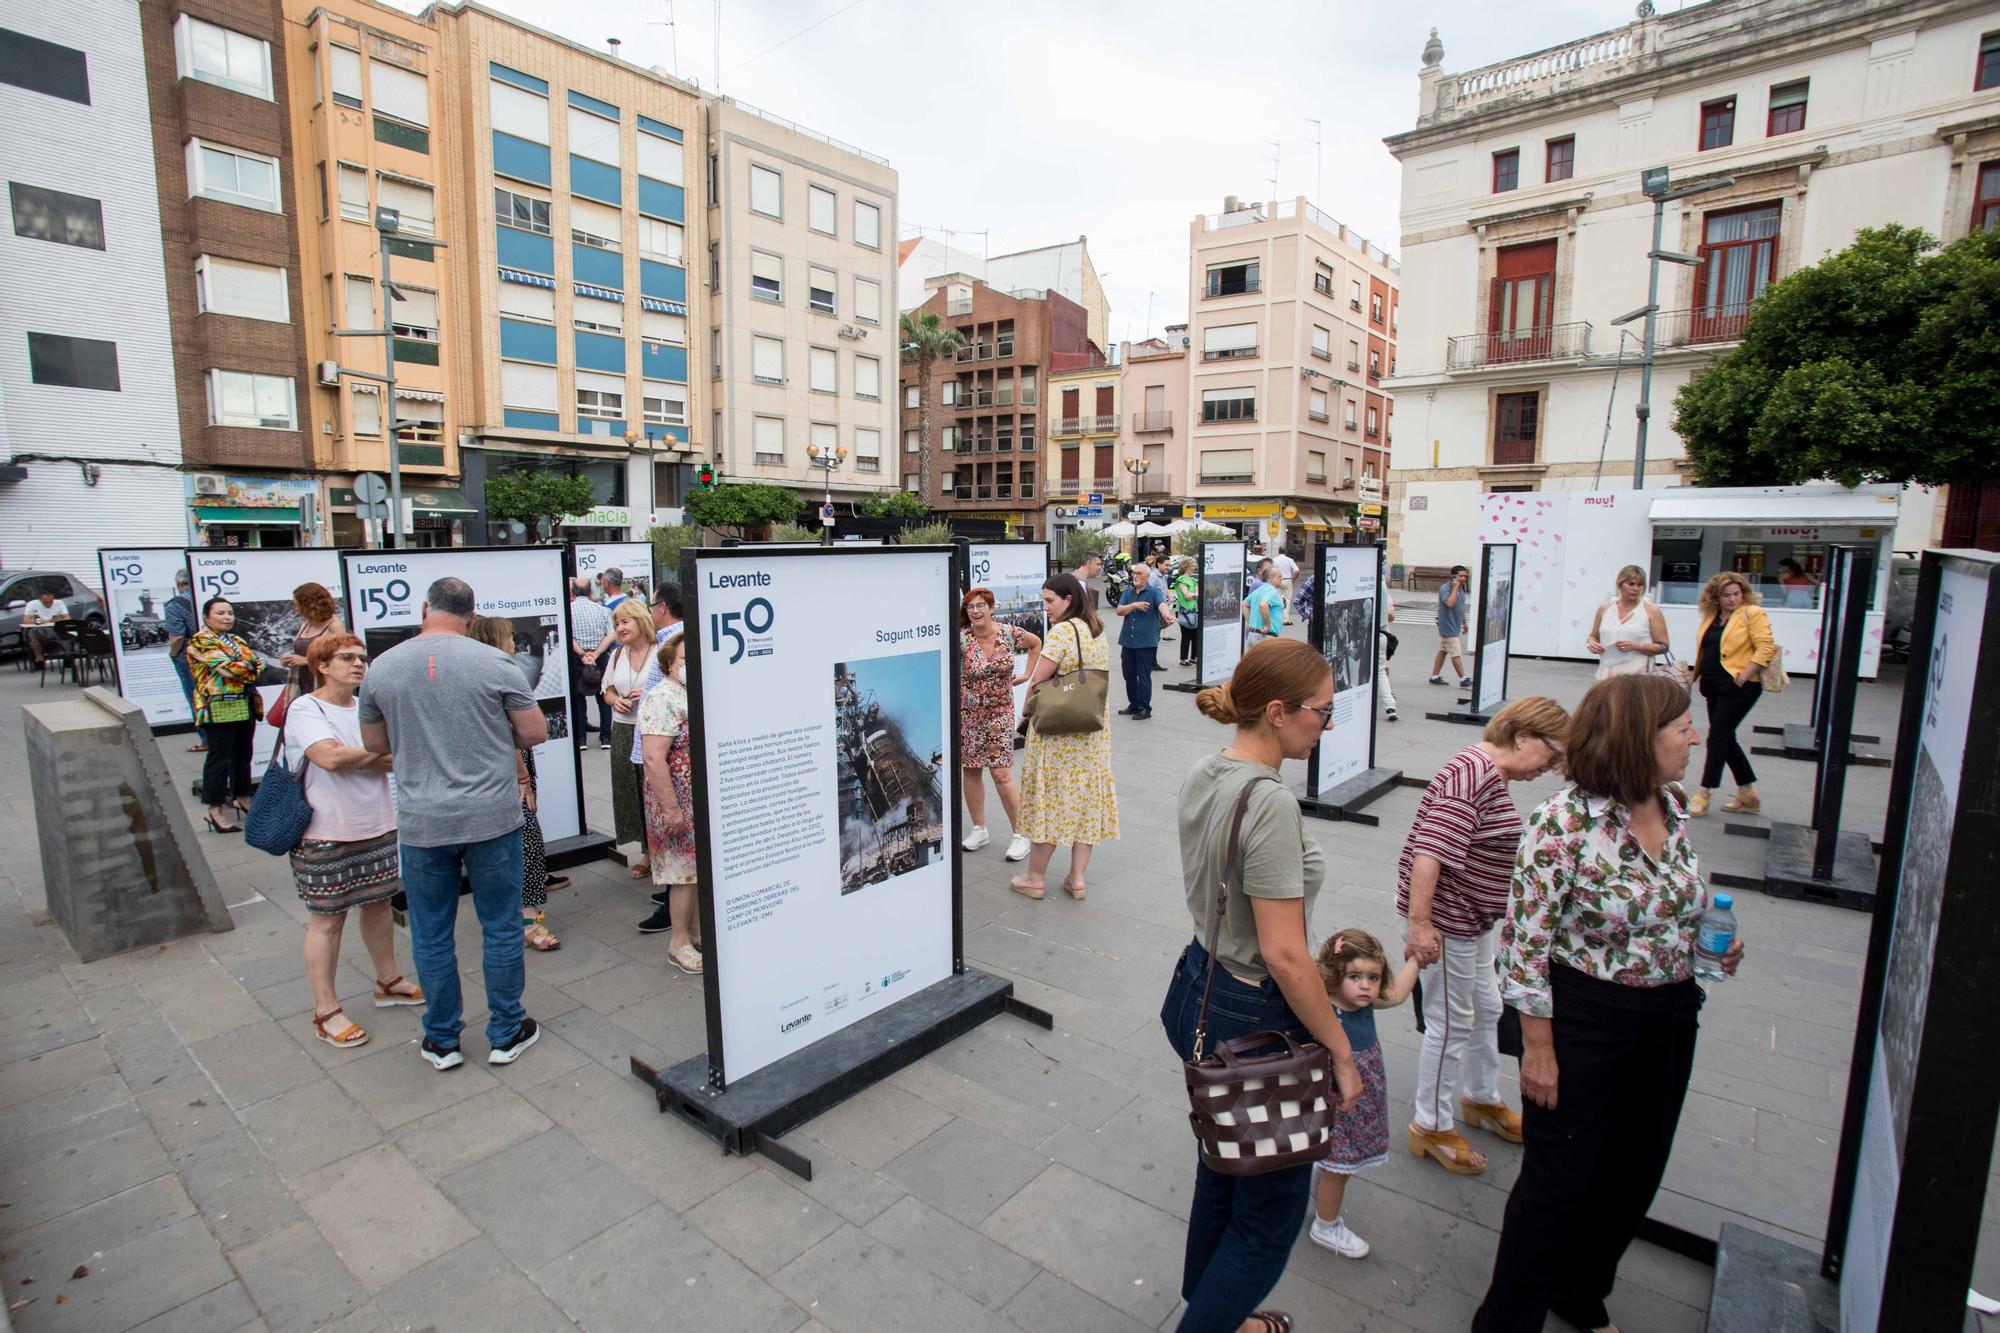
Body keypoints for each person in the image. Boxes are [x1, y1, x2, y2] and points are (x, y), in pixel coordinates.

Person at [1474, 674, 1743, 1333]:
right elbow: (1523, 946)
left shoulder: (1672, 803)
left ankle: (1579, 1287)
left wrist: (1710, 945)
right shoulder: (1561, 825)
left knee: (1633, 1171)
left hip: (1670, 1013)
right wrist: (1538, 1050)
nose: (1694, 736)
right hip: (1583, 1020)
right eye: (1681, 726)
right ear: (1636, 739)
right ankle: (1507, 1320)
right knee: (1556, 1182)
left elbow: (1677, 899)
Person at [1160, 637, 1362, 1332]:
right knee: (1270, 1215)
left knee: (1221, 1164)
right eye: (1322, 710)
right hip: (1254, 1008)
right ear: (1277, 712)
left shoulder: (1208, 768)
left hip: (1201, 982)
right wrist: (1339, 1048)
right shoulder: (1270, 801)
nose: (1327, 724)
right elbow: (1285, 953)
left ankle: (1217, 1310)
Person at [359, 577, 549, 1071]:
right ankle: (506, 1031)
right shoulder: (494, 662)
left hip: (423, 821)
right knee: (501, 927)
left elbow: (376, 744)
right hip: (491, 816)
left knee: (431, 932)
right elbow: (533, 731)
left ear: (424, 608)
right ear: (472, 614)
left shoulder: (382, 666)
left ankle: (442, 1039)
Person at [1401, 696, 1571, 1176]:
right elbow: (1429, 853)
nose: (1553, 767)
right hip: (1448, 922)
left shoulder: (1488, 771)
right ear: (1522, 736)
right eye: (1553, 754)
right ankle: (1430, 1123)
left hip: (1471, 919)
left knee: (1488, 1009)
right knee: (1450, 1021)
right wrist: (1420, 925)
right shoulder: (1472, 774)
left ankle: (1481, 1097)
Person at [282, 633, 422, 1048]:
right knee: (328, 919)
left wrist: (358, 754)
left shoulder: (368, 708)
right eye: (347, 657)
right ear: (321, 665)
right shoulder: (306, 708)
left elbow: (396, 757)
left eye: (362, 657)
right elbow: (328, 757)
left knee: (379, 905)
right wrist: (372, 754)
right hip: (324, 831)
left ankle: (388, 980)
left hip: (376, 823)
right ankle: (326, 1010)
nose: (359, 664)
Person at [1309, 928, 1421, 1259]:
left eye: (1373, 978)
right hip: (1343, 1103)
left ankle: (1318, 1178)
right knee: (1339, 1167)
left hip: (1361, 1099)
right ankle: (1326, 1225)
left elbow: (1398, 992)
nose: (1365, 986)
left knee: (1332, 1161)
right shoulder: (1325, 1007)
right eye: (1355, 976)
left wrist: (1416, 958)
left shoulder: (1365, 1002)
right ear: (1333, 974)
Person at [1012, 572, 1117, 901]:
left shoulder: (1061, 632)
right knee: (1086, 802)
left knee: (1053, 804)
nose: (1046, 608)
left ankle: (1035, 878)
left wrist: (1025, 716)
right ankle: (1077, 878)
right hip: (1092, 731)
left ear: (1068, 600)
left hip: (1060, 734)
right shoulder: (1097, 630)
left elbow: (1038, 682)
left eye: (1049, 601)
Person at [470, 615, 565, 952]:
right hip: (507, 768)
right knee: (525, 838)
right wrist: (522, 776)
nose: (515, 642)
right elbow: (505, 732)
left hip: (494, 768)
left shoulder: (478, 674)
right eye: (509, 636)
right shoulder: (499, 675)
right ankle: (527, 916)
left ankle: (513, 911)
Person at [959, 587, 1041, 862]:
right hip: (969, 714)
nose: (976, 611)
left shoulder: (1008, 633)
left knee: (1001, 775)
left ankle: (1021, 834)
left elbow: (1036, 643)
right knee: (970, 771)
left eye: (981, 605)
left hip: (999, 713)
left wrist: (1028, 674)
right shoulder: (962, 640)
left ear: (992, 608)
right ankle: (979, 828)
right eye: (970, 607)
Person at [1688, 571, 1774, 817]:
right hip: (1713, 683)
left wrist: (1744, 675)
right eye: (1726, 595)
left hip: (1741, 685)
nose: (1732, 599)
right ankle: (1748, 793)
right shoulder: (1711, 617)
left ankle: (1703, 792)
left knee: (1717, 736)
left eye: (1736, 594)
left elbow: (1765, 646)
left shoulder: (1752, 614)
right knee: (1726, 738)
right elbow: (1707, 649)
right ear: (1715, 597)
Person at [638, 635, 703, 960]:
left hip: (694, 801)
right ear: (668, 662)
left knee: (694, 871)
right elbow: (653, 758)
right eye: (683, 660)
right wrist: (672, 811)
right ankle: (678, 942)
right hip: (675, 801)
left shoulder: (688, 692)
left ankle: (694, 933)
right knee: (681, 872)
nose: (690, 665)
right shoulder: (662, 697)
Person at [186, 597, 263, 834]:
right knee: (219, 757)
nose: (227, 617)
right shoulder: (200, 641)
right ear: (207, 616)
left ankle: (241, 796)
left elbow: (258, 665)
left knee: (243, 753)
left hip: (244, 703)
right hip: (217, 705)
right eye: (220, 613)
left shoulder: (236, 640)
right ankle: (215, 808)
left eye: (230, 613)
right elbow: (227, 668)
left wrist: (245, 667)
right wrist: (244, 666)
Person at [600, 601, 656, 880]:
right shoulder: (616, 655)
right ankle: (647, 851)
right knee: (630, 791)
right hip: (623, 729)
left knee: (653, 791)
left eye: (625, 622)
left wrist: (647, 691)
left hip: (653, 730)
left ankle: (658, 850)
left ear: (640, 621)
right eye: (617, 624)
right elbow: (607, 689)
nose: (619, 628)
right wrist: (615, 701)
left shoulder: (660, 650)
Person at [1586, 565, 1670, 681]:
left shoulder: (1651, 610)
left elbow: (1663, 646)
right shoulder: (1605, 608)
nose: (1636, 589)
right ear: (1620, 584)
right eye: (1631, 584)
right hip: (1606, 676)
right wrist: (1592, 644)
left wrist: (1637, 646)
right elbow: (1593, 636)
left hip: (1638, 678)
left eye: (1640, 585)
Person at [1114, 561, 1170, 720]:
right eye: (1134, 573)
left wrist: (1166, 615)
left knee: (1143, 676)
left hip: (1145, 642)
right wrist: (1134, 605)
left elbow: (1162, 605)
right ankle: (1134, 704)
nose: (1135, 576)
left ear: (1147, 576)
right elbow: (1119, 611)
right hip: (1127, 641)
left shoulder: (1154, 592)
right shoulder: (1128, 592)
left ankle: (1145, 707)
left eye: (1139, 573)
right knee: (1128, 675)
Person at [164, 569, 206, 752]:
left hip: (188, 656)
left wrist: (173, 654)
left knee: (194, 696)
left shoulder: (174, 604)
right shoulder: (206, 598)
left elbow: (177, 638)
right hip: (213, 654)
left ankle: (206, 739)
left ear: (179, 584)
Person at [280, 582, 343, 699]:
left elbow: (342, 659)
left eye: (297, 605)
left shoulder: (334, 626)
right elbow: (300, 651)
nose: (296, 609)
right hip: (301, 683)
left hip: (323, 686)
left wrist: (307, 661)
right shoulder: (306, 624)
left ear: (309, 605)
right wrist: (287, 659)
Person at [568, 577, 610, 749]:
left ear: (573, 592)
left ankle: (581, 739)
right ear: (590, 591)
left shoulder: (568, 610)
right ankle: (606, 737)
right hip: (599, 656)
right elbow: (611, 634)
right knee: (604, 696)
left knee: (578, 698)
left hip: (578, 657)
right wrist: (596, 653)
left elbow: (568, 636)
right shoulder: (602, 610)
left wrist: (583, 654)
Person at [1430, 565, 1472, 687]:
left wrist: (1465, 623)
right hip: (1447, 625)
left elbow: (1461, 607)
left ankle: (1434, 676)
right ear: (1453, 576)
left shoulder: (1461, 589)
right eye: (1460, 576)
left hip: (1455, 624)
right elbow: (1449, 603)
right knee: (1455, 652)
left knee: (1443, 650)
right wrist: (1454, 588)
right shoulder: (1446, 588)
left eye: (1465, 576)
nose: (1463, 578)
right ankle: (1463, 678)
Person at [21, 587, 69, 665]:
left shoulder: (59, 603)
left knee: (66, 632)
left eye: (51, 602)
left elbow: (67, 618)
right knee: (32, 634)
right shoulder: (32, 604)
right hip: (40, 628)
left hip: (55, 628)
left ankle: (67, 656)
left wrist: (56, 619)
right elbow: (26, 620)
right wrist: (39, 622)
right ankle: (39, 658)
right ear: (40, 600)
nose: (48, 604)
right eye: (45, 602)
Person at [1244, 561, 1286, 644]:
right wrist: (1267, 626)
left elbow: (1244, 604)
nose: (1282, 578)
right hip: (1266, 637)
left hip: (1252, 635)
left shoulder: (1259, 590)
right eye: (1279, 576)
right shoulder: (1272, 591)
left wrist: (1249, 623)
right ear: (1271, 578)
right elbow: (1263, 605)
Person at [1172, 557, 1200, 667]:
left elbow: (1194, 594)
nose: (1194, 568)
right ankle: (1183, 659)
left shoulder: (1193, 580)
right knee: (1186, 635)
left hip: (1194, 610)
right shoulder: (1181, 580)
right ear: (1186, 566)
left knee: (1196, 635)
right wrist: (1194, 594)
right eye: (1192, 566)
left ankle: (1193, 657)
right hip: (1184, 611)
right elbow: (1186, 595)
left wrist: (1193, 594)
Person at [1378, 601, 1400, 723]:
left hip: (1369, 634)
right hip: (1382, 634)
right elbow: (1391, 616)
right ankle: (1390, 706)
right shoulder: (1384, 590)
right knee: (1381, 671)